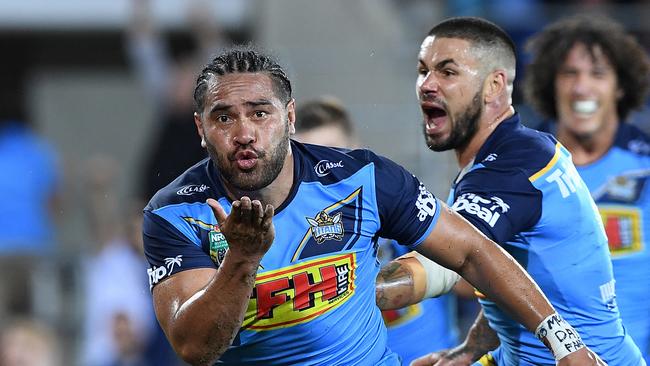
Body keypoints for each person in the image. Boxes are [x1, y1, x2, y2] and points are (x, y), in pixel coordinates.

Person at [142, 45, 603, 365]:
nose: (244, 133)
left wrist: (564, 342)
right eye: (224, 118)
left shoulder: (362, 177)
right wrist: (241, 260)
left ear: (290, 117)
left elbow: (472, 251)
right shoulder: (173, 214)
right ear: (201, 129)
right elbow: (194, 347)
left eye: (260, 113)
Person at [392, 16, 644, 366]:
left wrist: (338, 284)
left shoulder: (511, 170)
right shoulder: (523, 153)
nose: (427, 84)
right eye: (423, 70)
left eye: (447, 72)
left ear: (495, 85)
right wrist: (472, 348)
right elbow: (511, 273)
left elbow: (459, 259)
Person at [293, 96, 459, 364]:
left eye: (332, 154)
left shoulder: (400, 209)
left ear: (357, 150)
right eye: (308, 159)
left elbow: (469, 274)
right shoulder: (285, 245)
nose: (321, 171)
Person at [524, 15, 650, 363]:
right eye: (569, 74)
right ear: (551, 83)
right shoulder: (511, 168)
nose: (582, 88)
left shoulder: (646, 167)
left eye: (598, 74)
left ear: (620, 86)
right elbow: (468, 266)